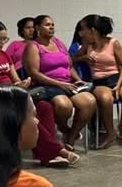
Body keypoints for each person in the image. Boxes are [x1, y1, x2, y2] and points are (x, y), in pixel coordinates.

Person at [0, 19, 77, 168]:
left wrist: (22, 84)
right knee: (26, 115)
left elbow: (14, 78)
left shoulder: (3, 55)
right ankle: (55, 152)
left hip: (14, 94)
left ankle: (45, 152)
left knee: (45, 107)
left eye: (5, 39)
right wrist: (12, 88)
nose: (3, 42)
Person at [23, 14, 97, 148]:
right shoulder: (33, 46)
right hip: (48, 86)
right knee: (64, 106)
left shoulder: (58, 43)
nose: (51, 27)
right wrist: (60, 84)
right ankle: (64, 129)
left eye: (52, 25)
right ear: (37, 28)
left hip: (68, 83)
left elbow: (69, 66)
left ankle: (71, 136)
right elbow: (34, 73)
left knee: (89, 101)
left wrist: (79, 80)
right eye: (47, 25)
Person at [76, 14, 122, 150]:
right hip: (99, 81)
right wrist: (84, 57)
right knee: (106, 99)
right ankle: (110, 133)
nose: (82, 33)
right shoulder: (87, 44)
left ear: (93, 30)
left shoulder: (113, 43)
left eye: (84, 29)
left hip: (117, 79)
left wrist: (118, 86)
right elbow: (72, 59)